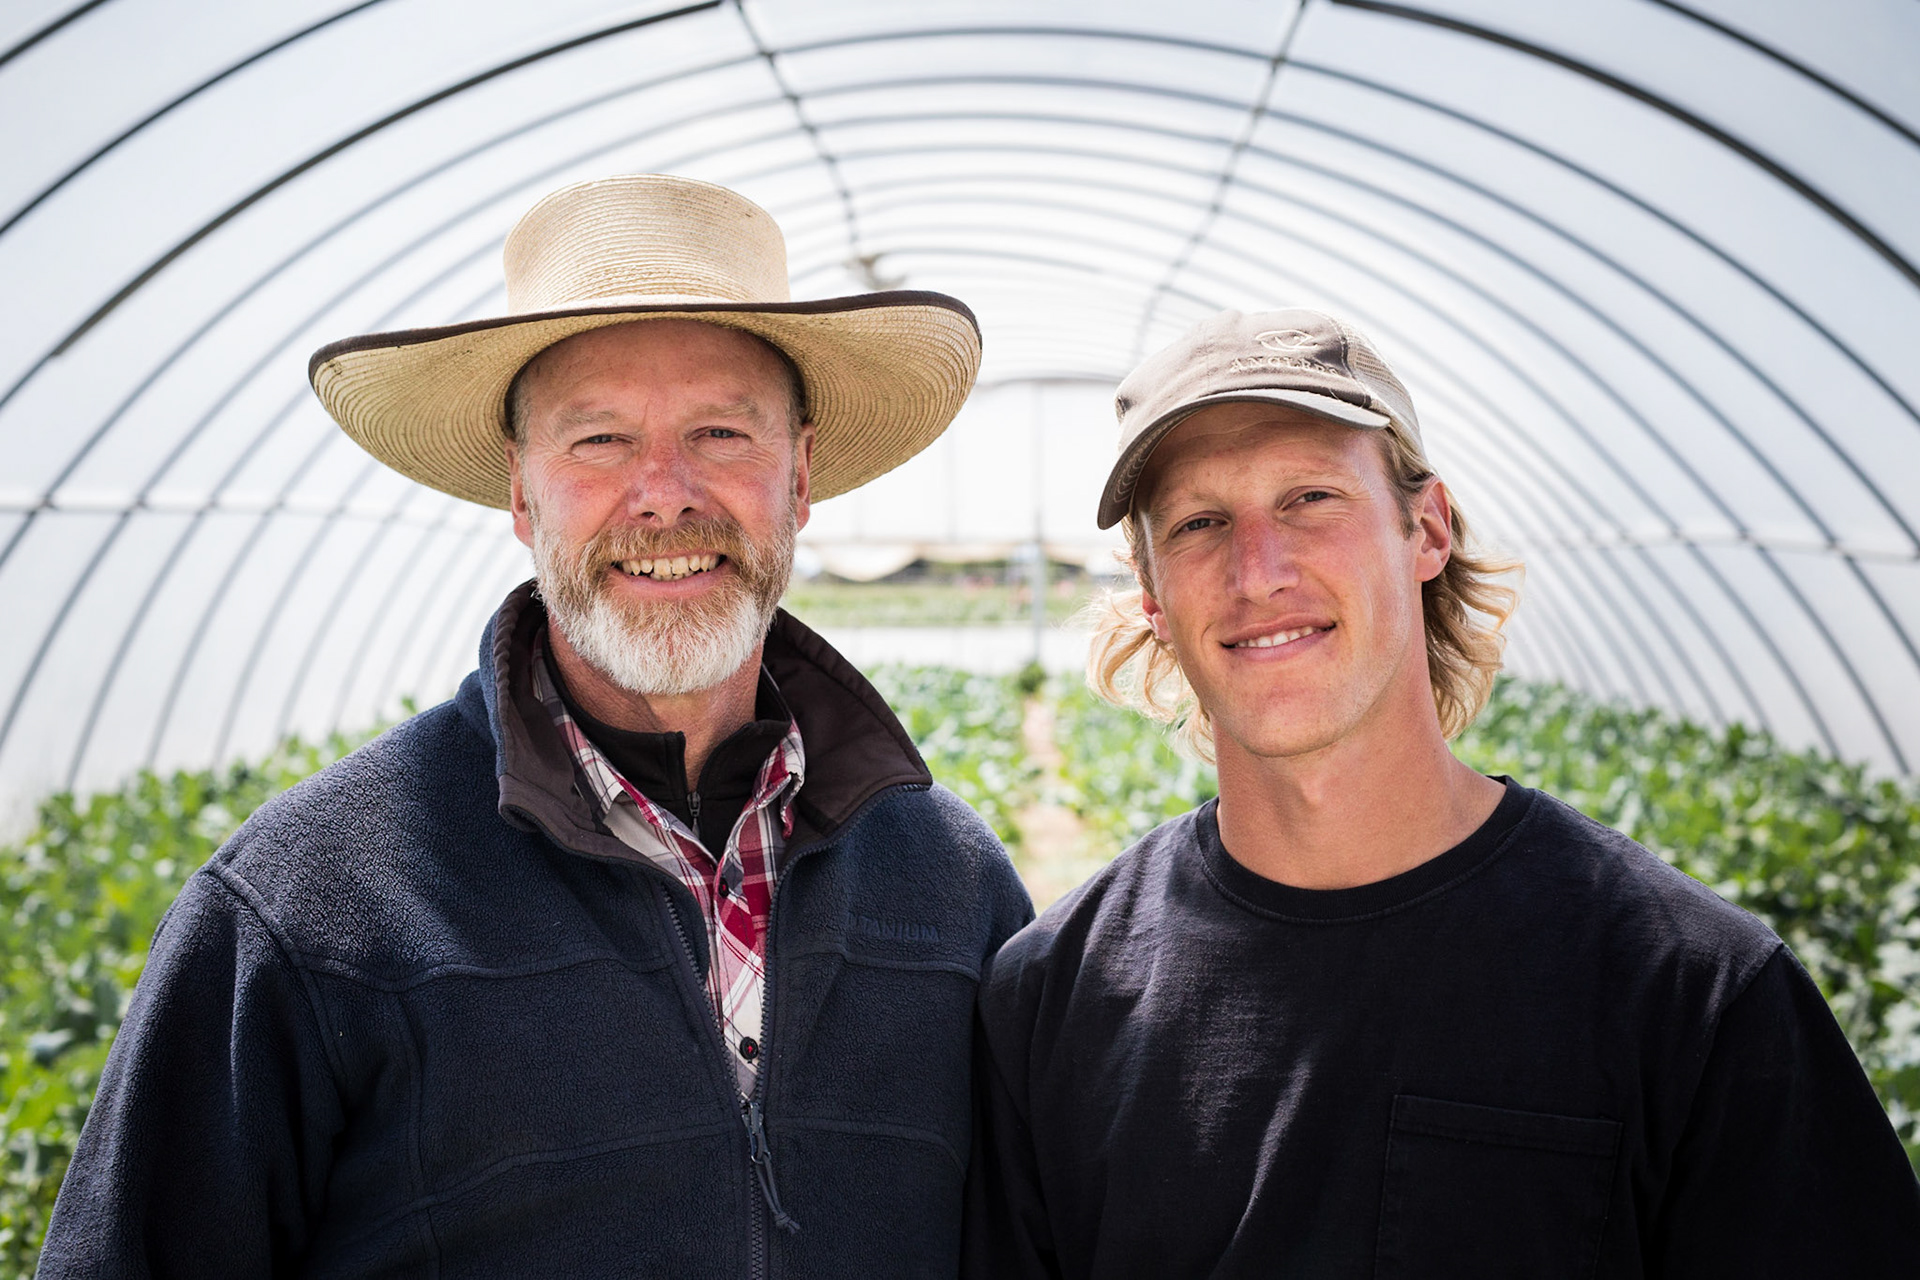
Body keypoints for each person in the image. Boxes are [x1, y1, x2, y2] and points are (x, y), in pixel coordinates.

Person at [40, 174, 1031, 1277]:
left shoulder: (952, 887)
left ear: (799, 474)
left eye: (719, 430)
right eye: (599, 439)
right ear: (520, 492)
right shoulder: (312, 906)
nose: (664, 493)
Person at [962, 308, 1920, 1277]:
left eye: (1309, 497)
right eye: (1201, 522)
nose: (1260, 569)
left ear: (1427, 528)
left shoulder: (1692, 991)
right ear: (1154, 595)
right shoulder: (1053, 993)